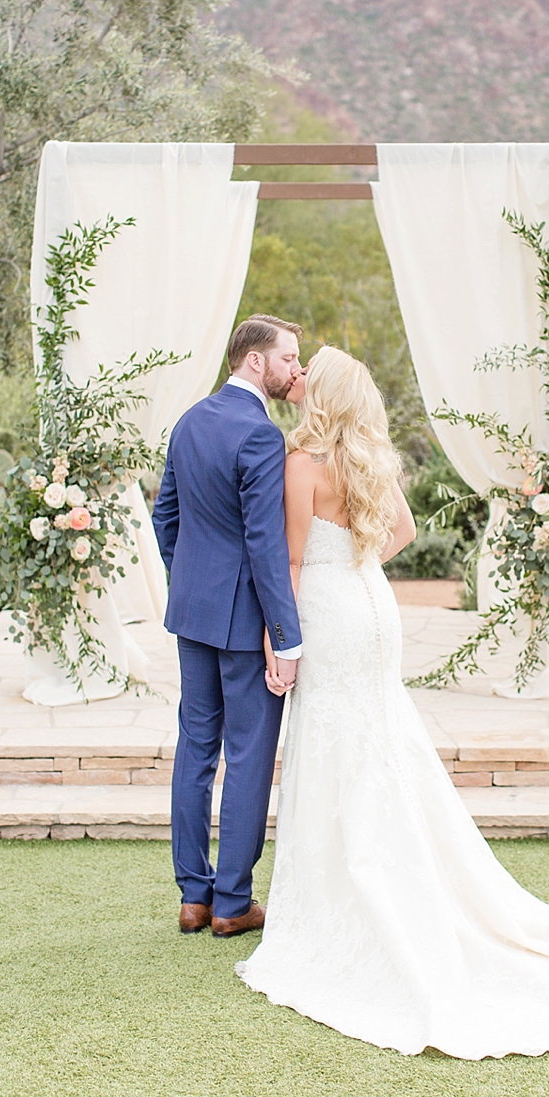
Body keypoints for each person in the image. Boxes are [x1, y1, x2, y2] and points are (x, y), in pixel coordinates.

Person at [235, 346, 549, 1057]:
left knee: (331, 739)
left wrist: (276, 635)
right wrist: (357, 564)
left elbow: (286, 558)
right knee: (377, 732)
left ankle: (347, 887)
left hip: (327, 611)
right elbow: (401, 532)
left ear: (323, 396)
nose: (301, 377)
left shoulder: (301, 464)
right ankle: (394, 863)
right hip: (372, 605)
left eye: (310, 371)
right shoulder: (368, 457)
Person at [152, 314, 304, 939]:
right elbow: (268, 547)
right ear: (254, 362)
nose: (296, 369)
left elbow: (166, 518)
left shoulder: (189, 421)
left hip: (194, 616)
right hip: (245, 626)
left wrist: (191, 581)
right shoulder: (262, 437)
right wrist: (286, 636)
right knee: (246, 757)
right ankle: (233, 904)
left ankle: (193, 896)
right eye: (289, 358)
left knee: (195, 747)